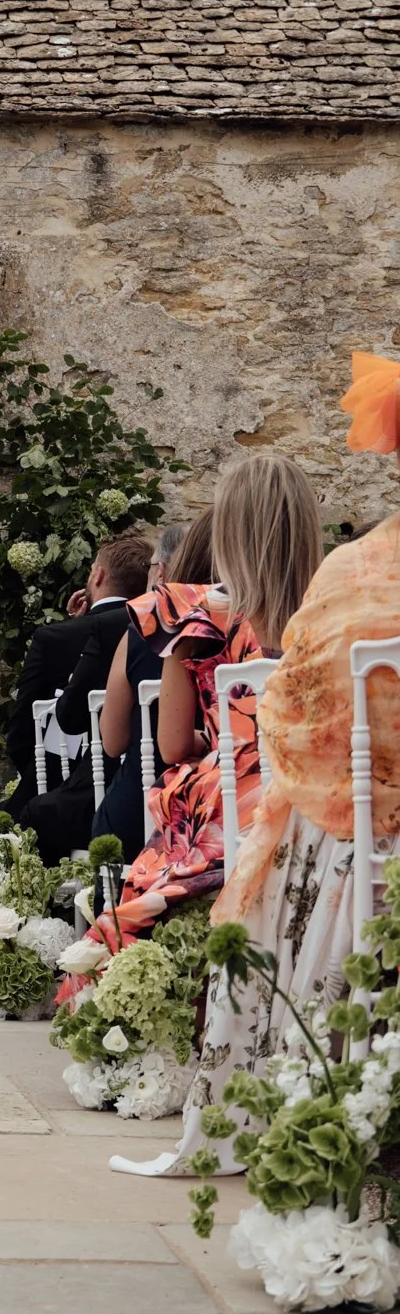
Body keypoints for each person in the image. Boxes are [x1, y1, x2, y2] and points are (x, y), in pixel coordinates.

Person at [115, 355, 400, 1180]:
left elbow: (177, 745)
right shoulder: (327, 582)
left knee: (219, 808)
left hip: (306, 810)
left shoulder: (331, 595)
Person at [62, 451, 322, 977]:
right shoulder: (334, 610)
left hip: (237, 796)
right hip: (323, 788)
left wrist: (220, 742)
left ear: (226, 529)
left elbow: (172, 745)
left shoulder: (199, 614)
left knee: (181, 790)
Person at [9, 531, 156, 864]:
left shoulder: (57, 637)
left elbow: (25, 731)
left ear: (98, 575)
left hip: (88, 789)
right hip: (148, 781)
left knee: (4, 823)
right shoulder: (162, 625)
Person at [89, 511, 215, 866]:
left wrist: (204, 740)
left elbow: (112, 742)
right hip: (228, 809)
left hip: (141, 810)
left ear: (160, 571)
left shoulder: (144, 629)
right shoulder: (249, 624)